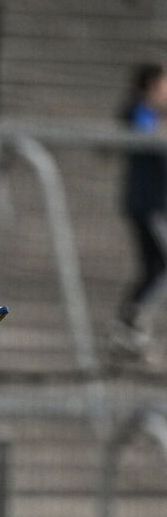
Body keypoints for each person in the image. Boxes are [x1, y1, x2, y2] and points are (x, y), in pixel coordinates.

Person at [113, 61, 167, 363]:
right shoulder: (140, 111)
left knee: (154, 267)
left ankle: (131, 323)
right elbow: (148, 135)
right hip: (148, 205)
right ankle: (131, 322)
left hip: (158, 203)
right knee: (159, 264)